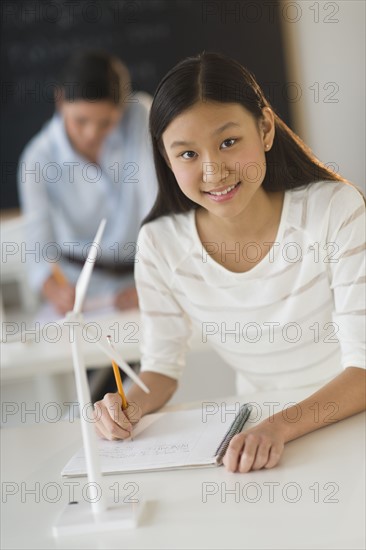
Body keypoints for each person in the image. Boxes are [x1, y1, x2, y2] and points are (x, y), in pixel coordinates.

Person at [93, 52, 366, 473]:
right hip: (258, 436)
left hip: (346, 421)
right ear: (166, 159)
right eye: (186, 154)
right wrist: (127, 406)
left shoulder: (334, 210)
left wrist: (276, 428)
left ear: (266, 129)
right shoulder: (160, 243)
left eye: (228, 142)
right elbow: (160, 370)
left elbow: (363, 369)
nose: (213, 171)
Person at [17, 50, 158, 314]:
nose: (91, 134)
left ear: (123, 107)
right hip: (78, 288)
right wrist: (54, 291)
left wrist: (154, 281)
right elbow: (38, 252)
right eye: (80, 121)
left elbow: (158, 208)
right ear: (60, 101)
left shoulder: (139, 116)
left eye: (106, 123)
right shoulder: (37, 159)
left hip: (143, 278)